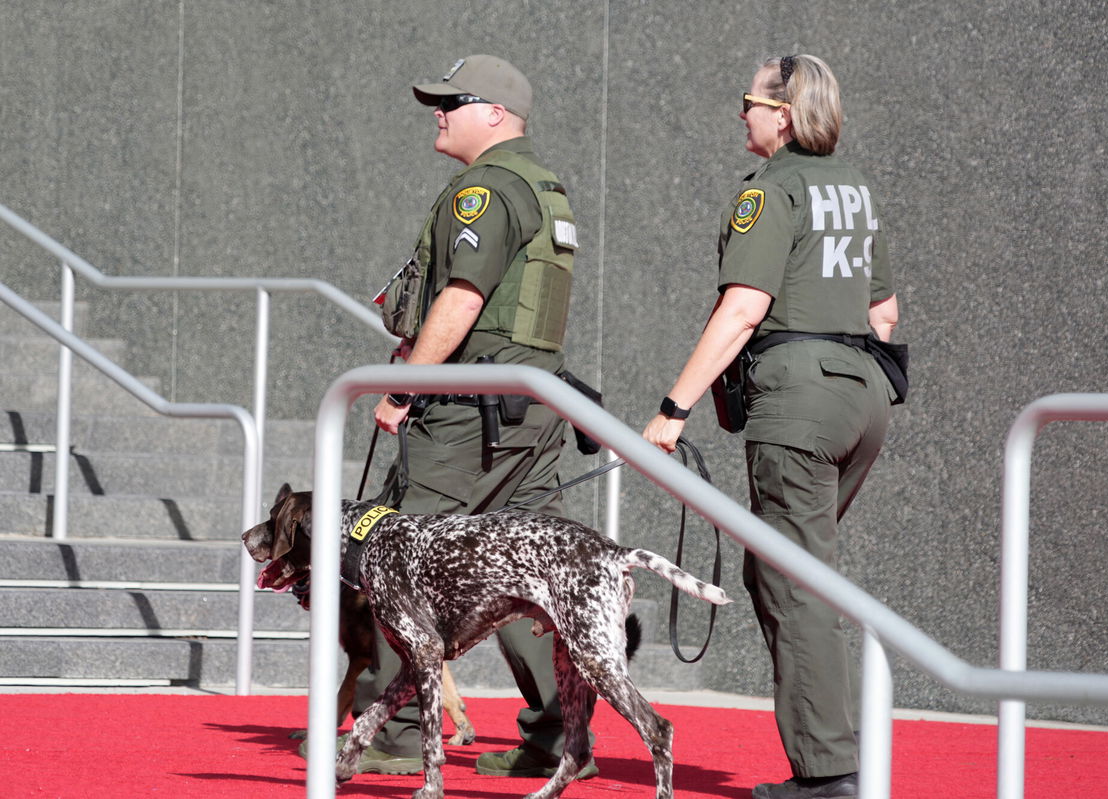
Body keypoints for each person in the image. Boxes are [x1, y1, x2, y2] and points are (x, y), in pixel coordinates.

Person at [322, 54, 597, 780]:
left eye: (453, 101)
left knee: (399, 558)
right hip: (528, 412)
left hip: (471, 414)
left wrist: (401, 386)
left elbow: (463, 299)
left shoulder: (489, 189)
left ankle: (396, 729)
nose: (437, 112)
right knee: (531, 575)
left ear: (496, 114)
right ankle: (560, 734)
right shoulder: (544, 186)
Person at [643, 54, 899, 799]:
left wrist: (674, 406)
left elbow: (744, 306)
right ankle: (832, 760)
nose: (742, 114)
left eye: (749, 102)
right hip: (864, 395)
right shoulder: (854, 190)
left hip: (799, 401)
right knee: (788, 568)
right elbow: (884, 314)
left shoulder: (772, 190)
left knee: (794, 580)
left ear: (782, 114)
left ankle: (829, 773)